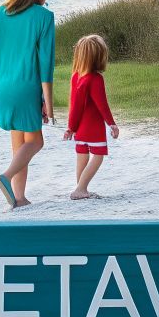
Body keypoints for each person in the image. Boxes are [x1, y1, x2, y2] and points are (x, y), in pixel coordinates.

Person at [0, 0, 55, 209]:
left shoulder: (2, 12)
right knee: (36, 142)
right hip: (25, 87)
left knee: (19, 144)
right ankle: (6, 177)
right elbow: (46, 67)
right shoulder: (44, 16)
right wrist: (49, 105)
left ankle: (19, 197)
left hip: (2, 87)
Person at [62, 34, 118, 199]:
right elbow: (102, 105)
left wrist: (71, 127)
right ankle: (81, 189)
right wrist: (112, 123)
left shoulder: (76, 76)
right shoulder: (95, 79)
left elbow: (75, 106)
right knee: (98, 156)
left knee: (82, 156)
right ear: (99, 56)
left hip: (79, 127)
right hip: (93, 127)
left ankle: (80, 188)